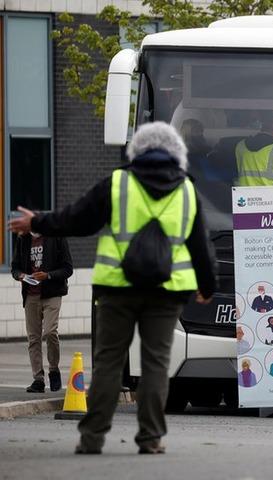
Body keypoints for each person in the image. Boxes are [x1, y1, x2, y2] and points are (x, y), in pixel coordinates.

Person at [8, 122, 217, 455]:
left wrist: (36, 222)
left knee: (108, 363)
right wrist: (207, 286)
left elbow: (76, 219)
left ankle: (92, 438)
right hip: (166, 292)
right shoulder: (188, 190)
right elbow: (200, 247)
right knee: (155, 364)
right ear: (177, 152)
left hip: (118, 289)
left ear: (136, 150)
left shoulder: (118, 183)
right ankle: (150, 439)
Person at [11, 231, 73, 393]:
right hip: (31, 296)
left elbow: (68, 269)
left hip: (52, 293)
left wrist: (48, 276)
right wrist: (20, 275)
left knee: (51, 332)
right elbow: (14, 268)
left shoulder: (56, 236)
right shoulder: (23, 239)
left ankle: (54, 370)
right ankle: (38, 379)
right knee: (33, 338)